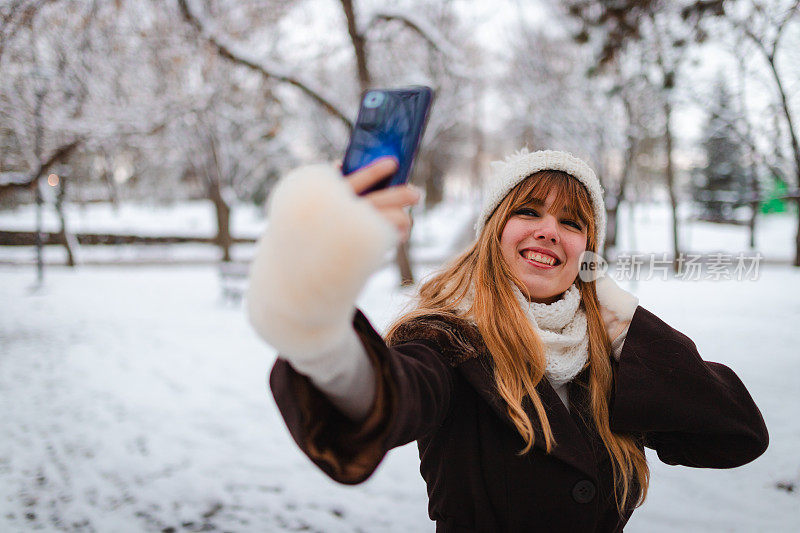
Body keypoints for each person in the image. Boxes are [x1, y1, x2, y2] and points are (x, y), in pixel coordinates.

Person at [246, 149, 768, 532]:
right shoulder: (448, 340)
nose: (548, 230)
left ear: (588, 250)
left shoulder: (607, 357)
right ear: (494, 231)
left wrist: (626, 322)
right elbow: (390, 397)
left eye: (571, 222)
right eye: (528, 211)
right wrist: (317, 327)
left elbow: (736, 434)